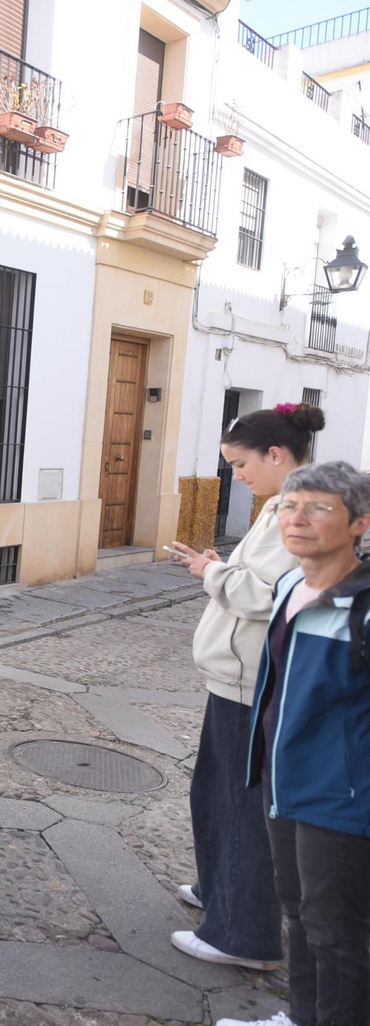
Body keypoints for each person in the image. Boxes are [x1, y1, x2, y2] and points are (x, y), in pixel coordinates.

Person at [167, 404, 325, 972]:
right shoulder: (284, 505)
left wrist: (211, 573)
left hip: (249, 682)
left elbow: (270, 595)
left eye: (240, 464)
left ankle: (242, 935)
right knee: (215, 796)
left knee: (238, 807)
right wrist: (219, 567)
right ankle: (221, 893)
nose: (236, 475)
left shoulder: (301, 510)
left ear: (276, 455)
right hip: (237, 678)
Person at [217, 461, 370, 1026]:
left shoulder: (362, 606)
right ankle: (300, 1017)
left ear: (359, 523)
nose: (297, 519)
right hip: (283, 783)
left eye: (319, 508)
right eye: (288, 506)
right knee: (299, 914)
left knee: (338, 935)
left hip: (344, 800)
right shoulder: (289, 586)